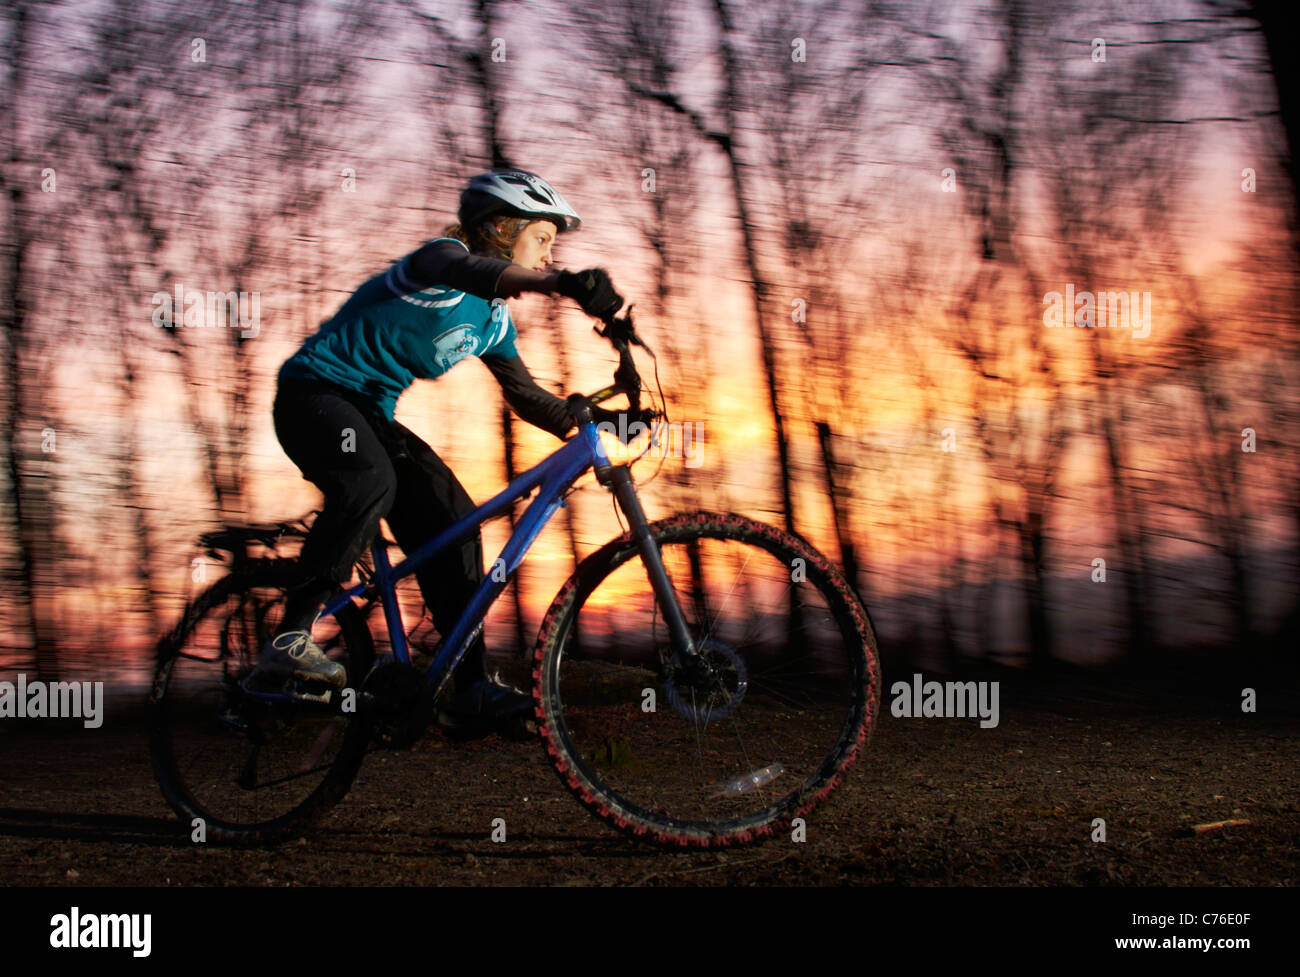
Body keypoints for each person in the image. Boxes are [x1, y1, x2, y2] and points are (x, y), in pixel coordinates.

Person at [246, 168, 626, 732]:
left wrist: (601, 419)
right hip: (313, 396)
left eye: (553, 247)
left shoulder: (493, 321)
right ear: (500, 226)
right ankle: (290, 638)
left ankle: (468, 689)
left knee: (457, 521)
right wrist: (559, 285)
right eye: (542, 238)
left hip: (372, 414)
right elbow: (470, 269)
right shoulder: (439, 261)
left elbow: (526, 399)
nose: (549, 255)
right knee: (371, 482)